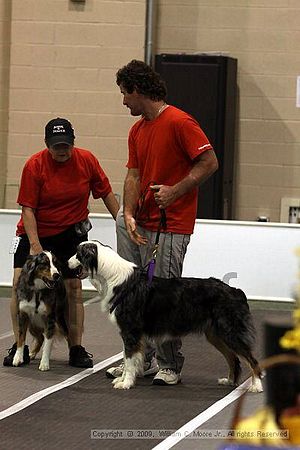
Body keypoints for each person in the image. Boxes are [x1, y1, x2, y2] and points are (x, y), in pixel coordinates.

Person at [106, 59, 218, 385]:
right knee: (131, 294)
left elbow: (209, 162)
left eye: (125, 94)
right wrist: (126, 214)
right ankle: (137, 359)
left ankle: (170, 364)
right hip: (139, 223)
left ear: (137, 90)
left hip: (171, 224)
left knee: (164, 297)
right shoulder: (137, 129)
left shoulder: (180, 122)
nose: (123, 100)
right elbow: (133, 175)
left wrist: (175, 191)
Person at [3, 117, 119, 368]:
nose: (62, 150)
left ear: (73, 143)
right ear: (47, 144)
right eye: (56, 146)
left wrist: (122, 223)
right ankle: (19, 345)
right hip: (34, 231)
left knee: (73, 289)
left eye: (66, 145)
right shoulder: (34, 165)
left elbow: (107, 193)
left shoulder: (87, 160)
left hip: (70, 233)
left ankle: (75, 348)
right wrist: (35, 248)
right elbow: (28, 209)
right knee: (16, 284)